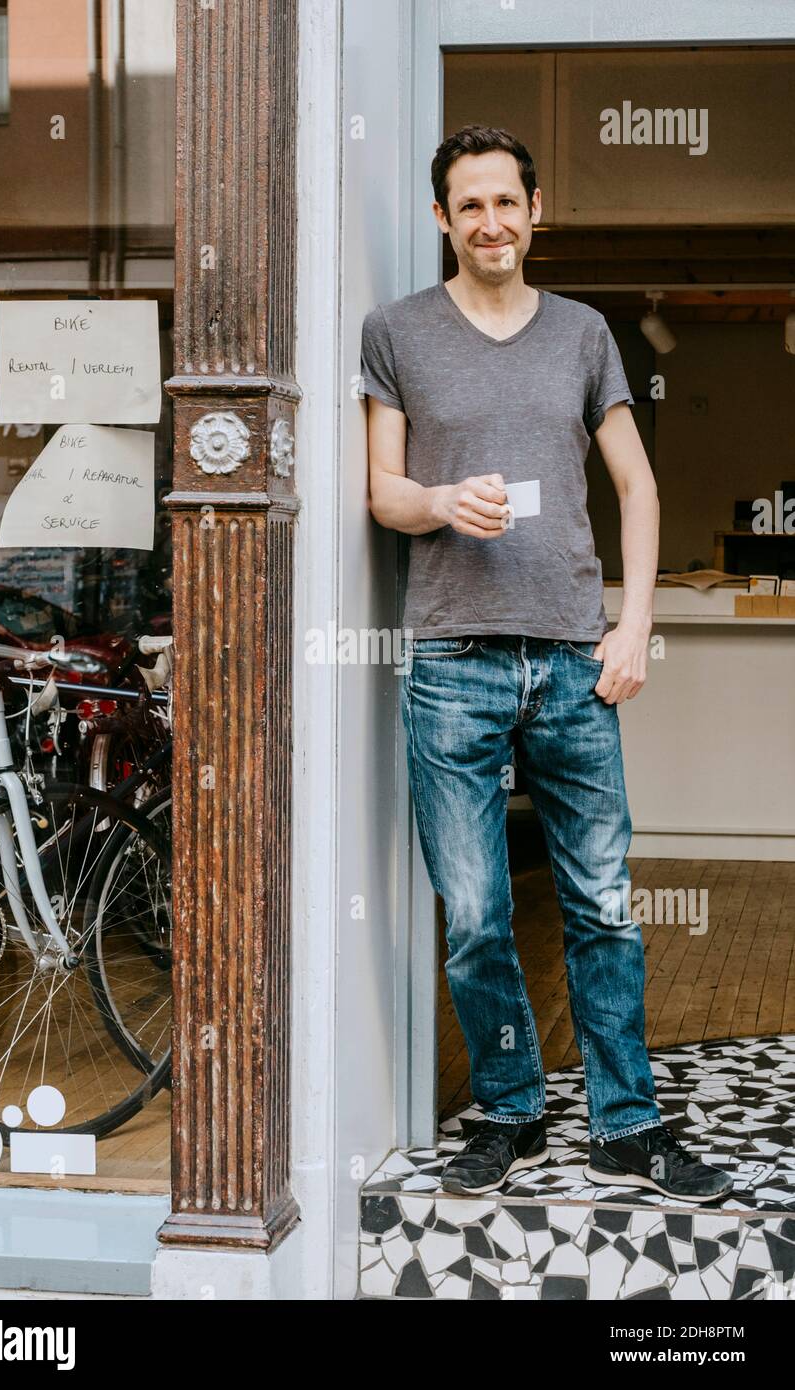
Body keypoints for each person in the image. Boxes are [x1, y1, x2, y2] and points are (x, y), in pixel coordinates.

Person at [360, 124, 733, 1203]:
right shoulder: (397, 332)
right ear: (443, 218)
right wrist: (436, 502)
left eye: (505, 203)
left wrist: (630, 624)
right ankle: (512, 1111)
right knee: (475, 915)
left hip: (573, 662)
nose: (489, 222)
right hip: (452, 664)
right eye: (467, 205)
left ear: (535, 212)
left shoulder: (581, 334)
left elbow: (640, 487)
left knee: (603, 908)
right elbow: (378, 488)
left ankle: (626, 1123)